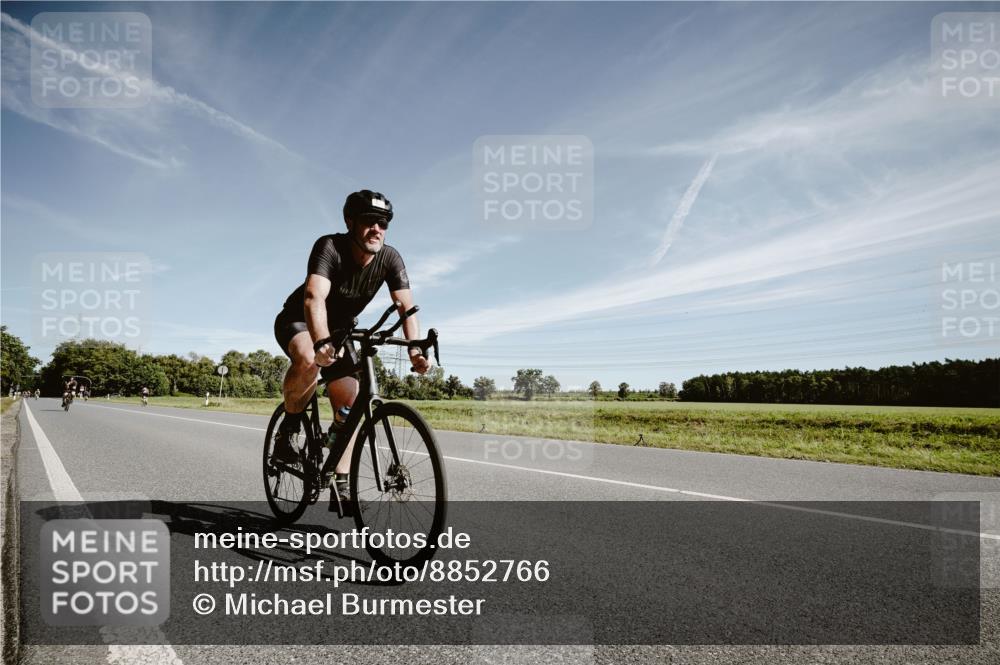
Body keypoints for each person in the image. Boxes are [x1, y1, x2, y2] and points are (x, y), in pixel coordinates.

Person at [272, 190, 430, 509]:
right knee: (307, 359)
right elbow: (313, 297)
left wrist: (415, 350)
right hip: (300, 321)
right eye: (369, 221)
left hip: (340, 331)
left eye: (383, 223)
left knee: (351, 405)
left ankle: (340, 477)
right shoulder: (330, 246)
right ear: (350, 222)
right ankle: (288, 431)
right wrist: (320, 342)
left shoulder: (390, 258)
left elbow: (406, 307)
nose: (377, 228)